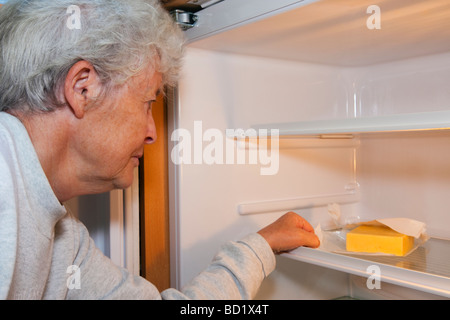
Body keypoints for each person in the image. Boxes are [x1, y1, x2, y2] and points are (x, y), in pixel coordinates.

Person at [0, 0, 319, 300]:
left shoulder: (64, 239)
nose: (152, 134)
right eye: (148, 102)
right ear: (83, 88)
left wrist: (260, 247)